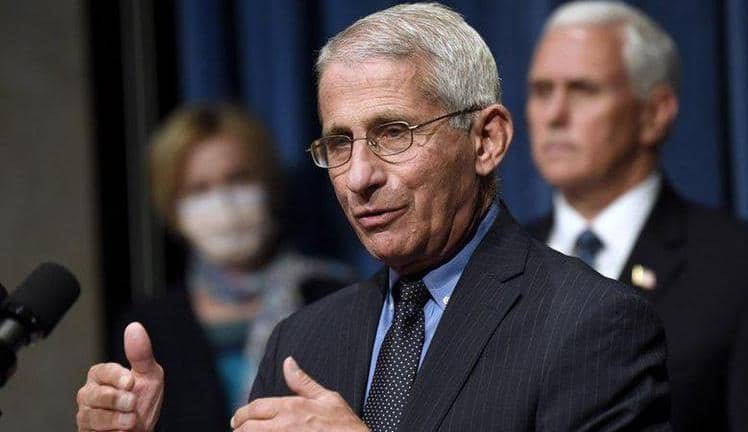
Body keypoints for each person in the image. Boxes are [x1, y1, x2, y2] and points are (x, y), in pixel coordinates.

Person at [76, 4, 671, 431]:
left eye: (393, 133)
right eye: (340, 143)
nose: (359, 176)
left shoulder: (591, 324)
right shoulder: (300, 341)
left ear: (486, 140)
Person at [523, 2, 748, 431]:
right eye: (542, 91)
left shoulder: (747, 269)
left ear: (655, 113)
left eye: (583, 90)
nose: (554, 115)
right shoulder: (492, 264)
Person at [108, 105, 356, 431]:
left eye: (237, 178)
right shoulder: (147, 329)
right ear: (173, 209)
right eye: (199, 189)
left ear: (268, 184)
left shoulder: (336, 297)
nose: (224, 202)